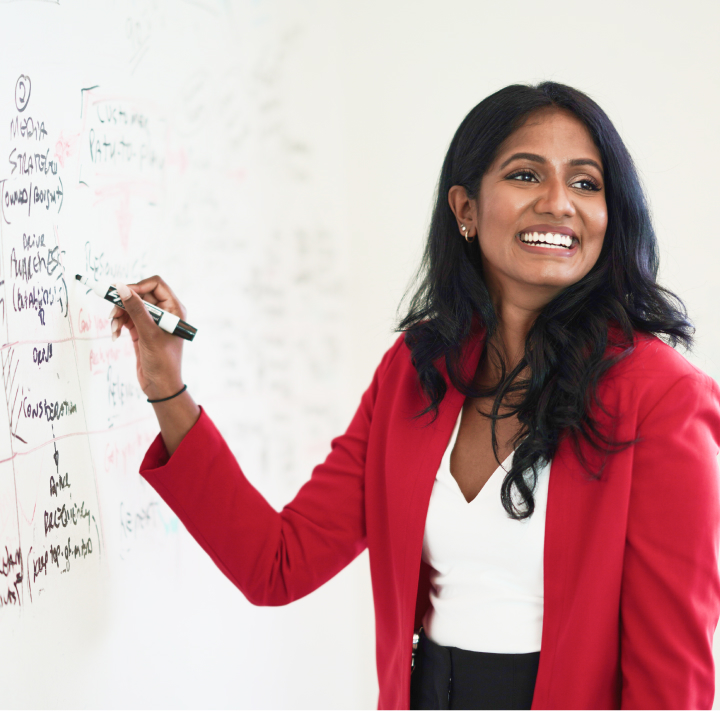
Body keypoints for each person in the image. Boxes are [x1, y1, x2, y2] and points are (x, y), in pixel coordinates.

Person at [110, 81, 720, 710]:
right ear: (466, 208)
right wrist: (166, 385)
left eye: (587, 184)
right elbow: (277, 564)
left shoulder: (664, 397)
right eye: (525, 174)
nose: (559, 203)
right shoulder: (415, 371)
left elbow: (672, 684)